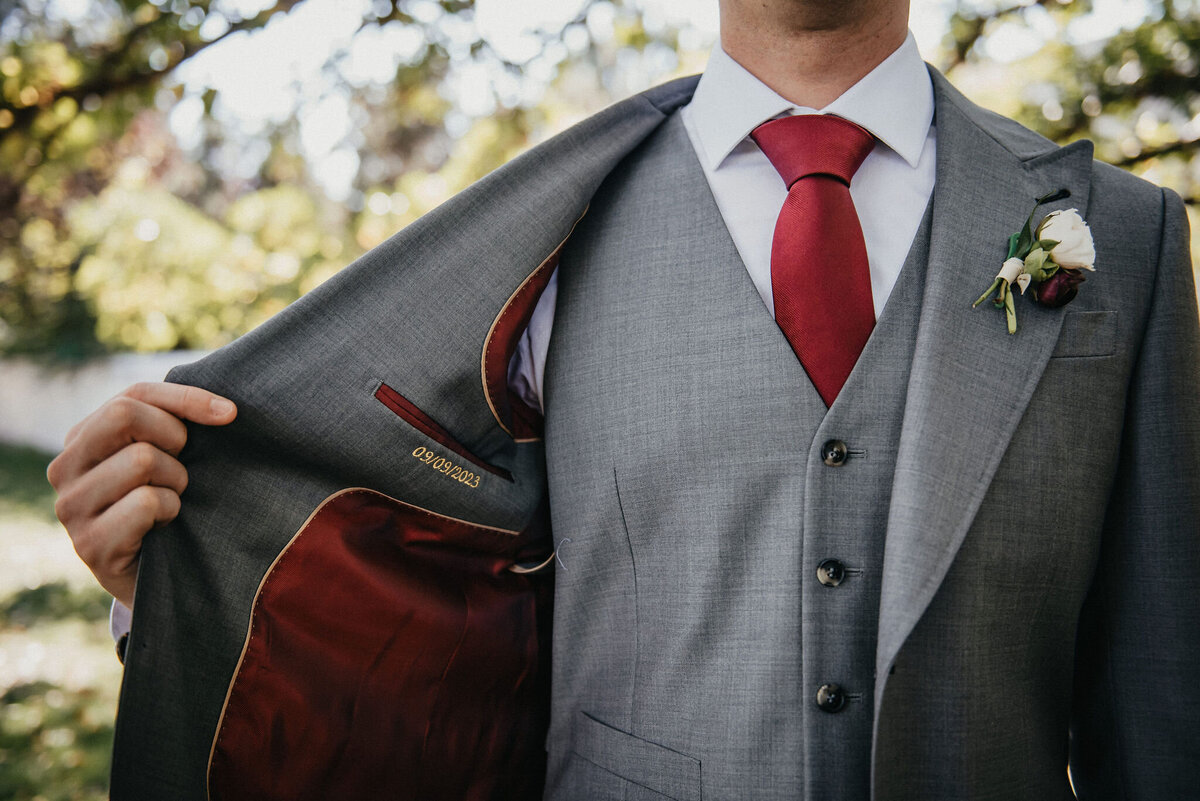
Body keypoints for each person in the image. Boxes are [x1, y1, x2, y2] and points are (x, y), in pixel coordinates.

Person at [47, 0, 1200, 798]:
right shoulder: (543, 235)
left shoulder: (1128, 239)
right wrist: (182, 568)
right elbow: (432, 607)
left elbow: (1158, 703)